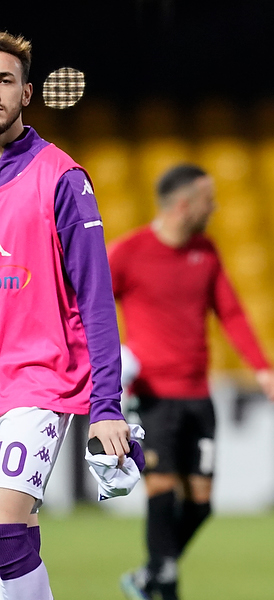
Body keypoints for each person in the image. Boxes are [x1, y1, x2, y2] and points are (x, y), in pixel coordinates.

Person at [110, 164, 274, 600]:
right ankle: (164, 588)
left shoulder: (205, 251)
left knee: (201, 504)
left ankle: (148, 576)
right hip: (151, 397)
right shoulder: (129, 252)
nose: (215, 207)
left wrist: (261, 367)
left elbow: (230, 312)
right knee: (163, 492)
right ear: (184, 205)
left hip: (198, 396)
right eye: (209, 200)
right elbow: (88, 307)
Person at [0, 31, 131, 599]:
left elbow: (96, 298)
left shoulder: (61, 177)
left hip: (38, 380)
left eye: (5, 80)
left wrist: (107, 406)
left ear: (26, 93)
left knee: (4, 531)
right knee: (16, 537)